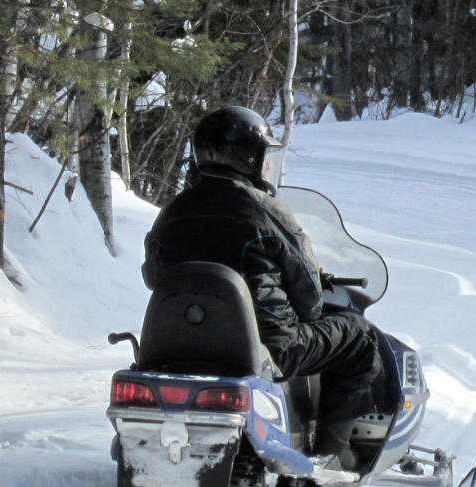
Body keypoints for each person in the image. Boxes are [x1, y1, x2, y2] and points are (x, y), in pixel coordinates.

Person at [141, 106, 379, 470]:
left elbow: (153, 277)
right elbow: (312, 302)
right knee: (359, 338)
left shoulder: (173, 211)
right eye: (263, 155)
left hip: (172, 347)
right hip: (266, 348)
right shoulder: (266, 210)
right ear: (246, 156)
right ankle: (335, 451)